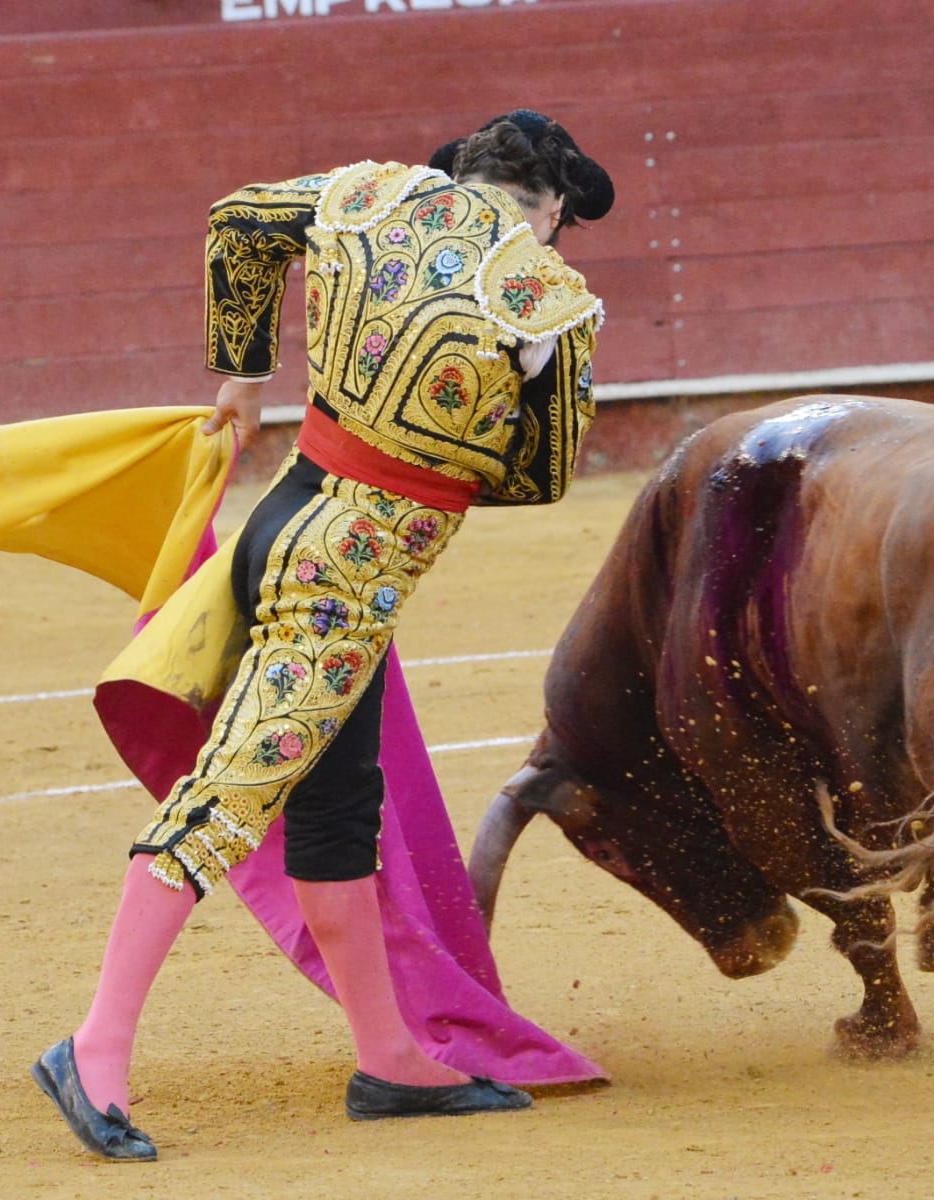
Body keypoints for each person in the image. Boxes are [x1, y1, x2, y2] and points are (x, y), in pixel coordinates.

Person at [30, 108, 613, 1162]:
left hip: (284, 516)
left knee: (339, 805)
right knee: (228, 795)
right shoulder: (550, 302)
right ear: (558, 208)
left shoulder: (369, 191)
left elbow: (240, 222)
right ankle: (93, 1048)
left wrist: (244, 376)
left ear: (461, 172)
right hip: (343, 575)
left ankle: (388, 1056)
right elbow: (540, 477)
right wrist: (486, 409)